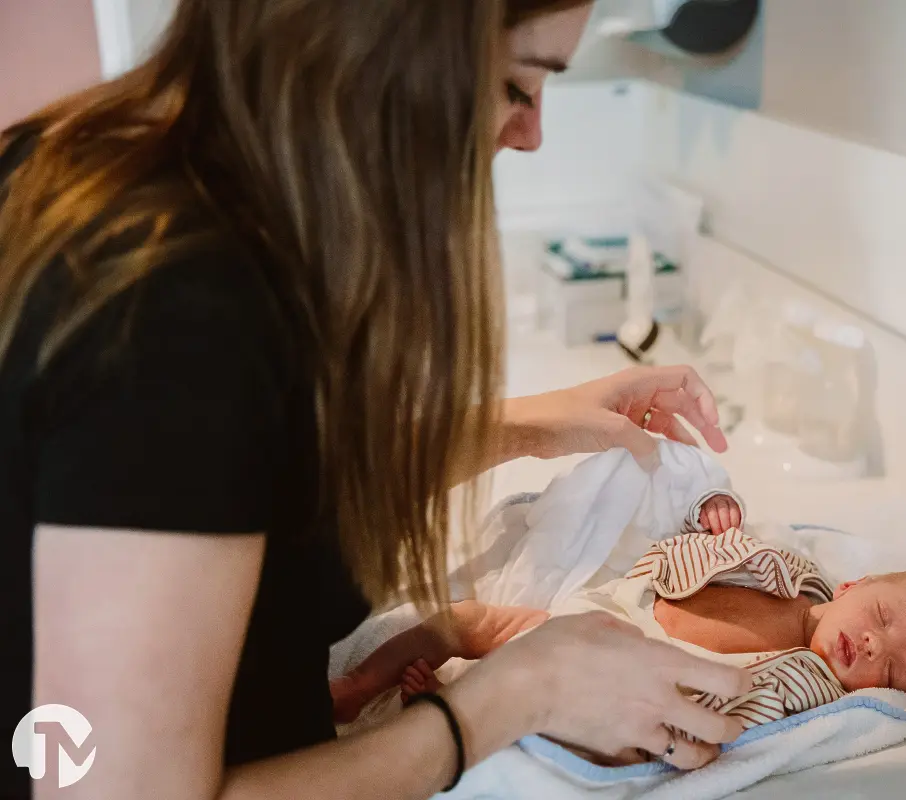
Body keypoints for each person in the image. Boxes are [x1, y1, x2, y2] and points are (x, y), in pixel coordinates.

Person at [0, 2, 755, 798]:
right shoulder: (172, 308)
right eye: (514, 84)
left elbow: (236, 468)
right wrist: (515, 696)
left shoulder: (83, 167)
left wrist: (529, 424)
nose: (529, 134)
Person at [331, 485, 906, 769]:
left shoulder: (813, 687)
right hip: (615, 606)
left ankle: (441, 709)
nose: (873, 645)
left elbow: (737, 718)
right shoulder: (790, 567)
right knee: (468, 621)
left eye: (895, 669)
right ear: (855, 587)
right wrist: (711, 512)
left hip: (622, 665)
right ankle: (363, 684)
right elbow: (700, 543)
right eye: (880, 618)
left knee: (516, 702)